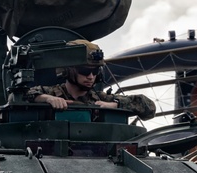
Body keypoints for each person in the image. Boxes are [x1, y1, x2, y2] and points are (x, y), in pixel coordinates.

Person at [21, 39, 156, 119]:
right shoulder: (50, 92)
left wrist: (115, 105)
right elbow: (20, 96)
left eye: (95, 71)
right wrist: (47, 99)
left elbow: (148, 107)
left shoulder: (100, 99)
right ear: (67, 71)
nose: (91, 76)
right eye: (85, 71)